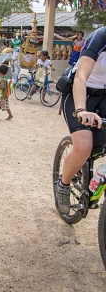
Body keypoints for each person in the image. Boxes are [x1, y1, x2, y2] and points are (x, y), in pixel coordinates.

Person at [56, 26, 106, 214]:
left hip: (105, 94)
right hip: (82, 91)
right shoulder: (101, 36)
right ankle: (64, 184)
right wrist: (81, 110)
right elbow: (81, 77)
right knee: (84, 146)